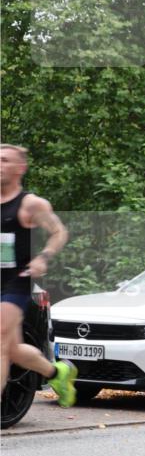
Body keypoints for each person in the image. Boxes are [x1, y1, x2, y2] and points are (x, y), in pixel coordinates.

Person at [1, 144, 77, 407]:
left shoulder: (30, 204)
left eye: (5, 160)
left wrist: (43, 257)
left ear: (20, 168)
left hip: (16, 282)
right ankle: (57, 373)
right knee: (13, 350)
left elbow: (59, 232)